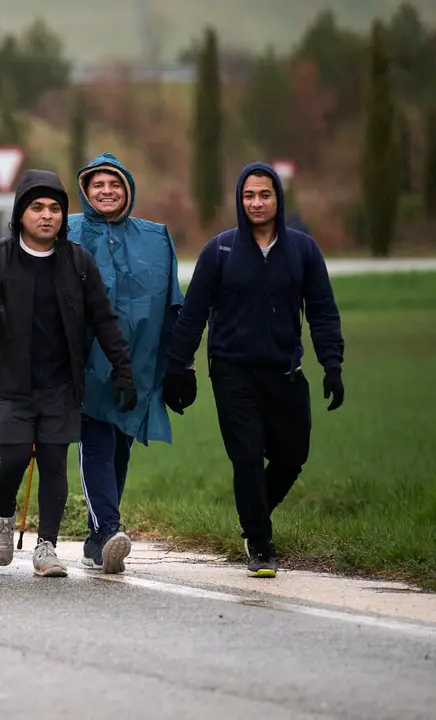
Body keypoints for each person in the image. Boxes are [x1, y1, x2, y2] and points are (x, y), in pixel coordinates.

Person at [164, 162, 345, 579]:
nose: (256, 203)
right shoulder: (220, 251)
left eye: (265, 195)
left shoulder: (303, 250)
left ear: (278, 199)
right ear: (238, 201)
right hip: (233, 373)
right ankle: (260, 545)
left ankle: (252, 512)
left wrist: (331, 363)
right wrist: (180, 366)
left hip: (285, 372)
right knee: (245, 458)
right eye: (248, 196)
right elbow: (192, 316)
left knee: (291, 457)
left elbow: (321, 311)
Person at [0, 169, 135, 578]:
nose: (47, 216)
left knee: (55, 463)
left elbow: (104, 321)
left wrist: (122, 370)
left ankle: (47, 547)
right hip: (9, 383)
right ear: (21, 213)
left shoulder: (78, 263)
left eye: (55, 208)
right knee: (14, 457)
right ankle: (2, 517)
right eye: (37, 207)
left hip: (61, 384)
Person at [69, 152, 185, 574]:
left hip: (138, 365)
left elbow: (174, 304)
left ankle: (96, 536)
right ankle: (110, 528)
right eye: (97, 184)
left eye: (114, 184)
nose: (106, 191)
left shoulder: (155, 238)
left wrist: (179, 366)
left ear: (128, 190)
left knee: (120, 446)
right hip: (84, 365)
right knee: (95, 440)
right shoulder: (68, 231)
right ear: (85, 191)